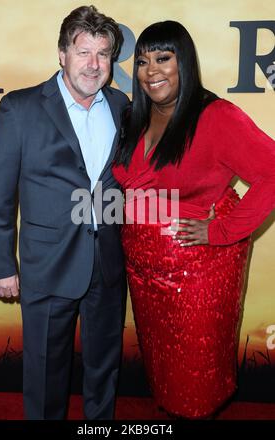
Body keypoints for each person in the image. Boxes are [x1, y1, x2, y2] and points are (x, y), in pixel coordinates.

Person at [113, 20, 275, 419]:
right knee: (164, 369)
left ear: (183, 61)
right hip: (143, 270)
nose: (152, 71)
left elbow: (271, 172)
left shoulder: (216, 116)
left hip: (197, 271)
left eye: (163, 59)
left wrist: (221, 230)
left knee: (196, 376)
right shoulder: (135, 114)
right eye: (144, 61)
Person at [0, 5, 129, 420]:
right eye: (83, 52)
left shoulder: (123, 106)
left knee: (105, 372)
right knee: (45, 375)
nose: (94, 65)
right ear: (62, 53)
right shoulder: (21, 109)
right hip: (46, 264)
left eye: (103, 54)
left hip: (107, 265)